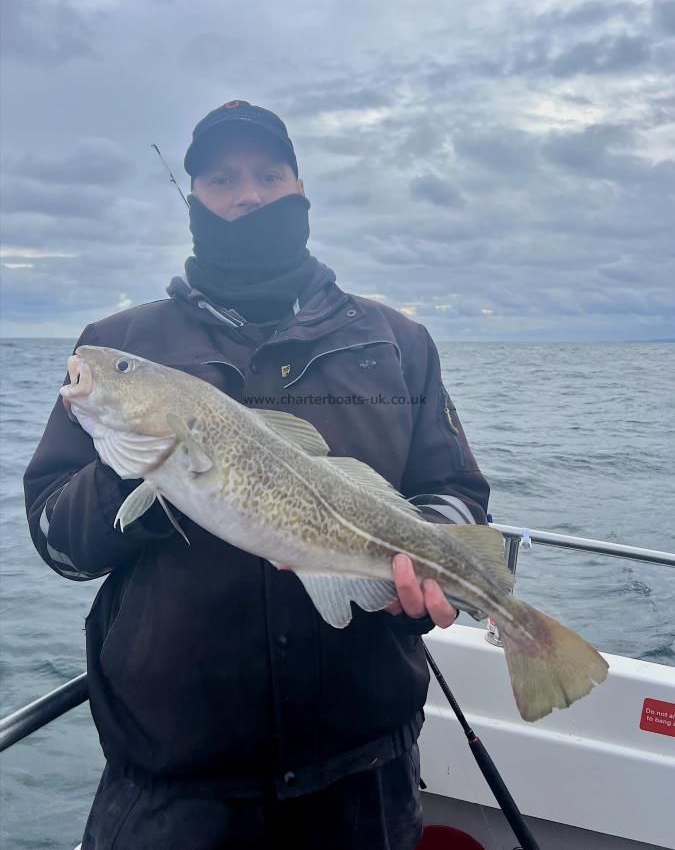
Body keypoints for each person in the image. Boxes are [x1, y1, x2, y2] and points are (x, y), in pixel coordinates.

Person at [24, 101, 491, 850]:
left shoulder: (396, 341)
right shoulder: (121, 342)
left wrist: (419, 562)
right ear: (193, 202)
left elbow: (452, 491)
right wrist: (135, 466)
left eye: (268, 175)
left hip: (361, 774)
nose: (247, 194)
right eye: (221, 178)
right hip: (173, 786)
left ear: (301, 188)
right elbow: (58, 543)